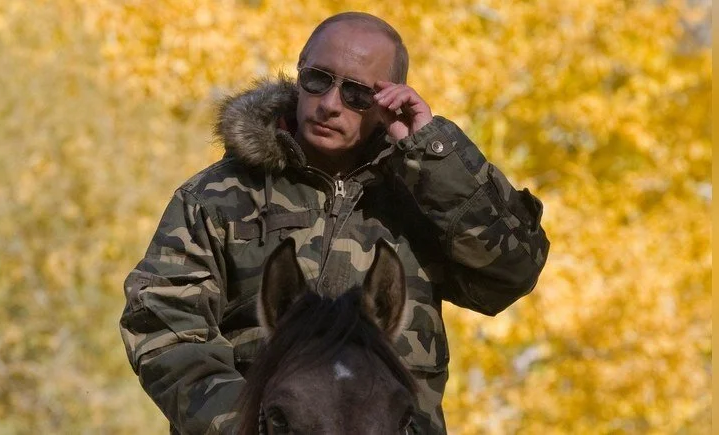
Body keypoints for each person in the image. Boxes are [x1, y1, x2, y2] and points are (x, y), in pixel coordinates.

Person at [119, 11, 549, 435]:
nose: (329, 104)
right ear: (300, 69)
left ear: (388, 100)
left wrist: (431, 149)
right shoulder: (218, 195)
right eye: (317, 79)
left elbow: (513, 272)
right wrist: (247, 424)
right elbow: (161, 323)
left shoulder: (424, 194)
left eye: (357, 94)